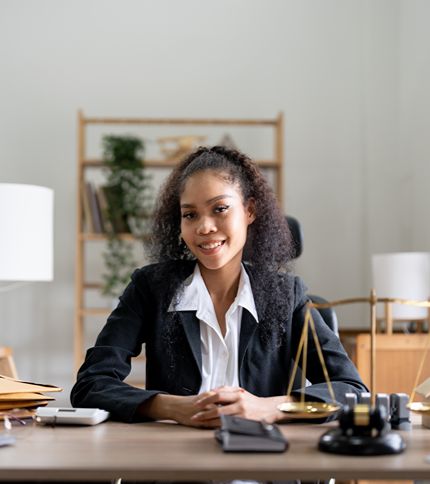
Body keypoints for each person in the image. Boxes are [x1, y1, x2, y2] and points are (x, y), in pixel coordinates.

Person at [71, 146, 366, 427]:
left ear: (249, 211)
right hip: (171, 461)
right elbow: (91, 385)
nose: (204, 227)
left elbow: (352, 390)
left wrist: (270, 408)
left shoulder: (286, 295)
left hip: (261, 461)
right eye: (190, 215)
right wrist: (175, 407)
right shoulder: (150, 288)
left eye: (220, 209)